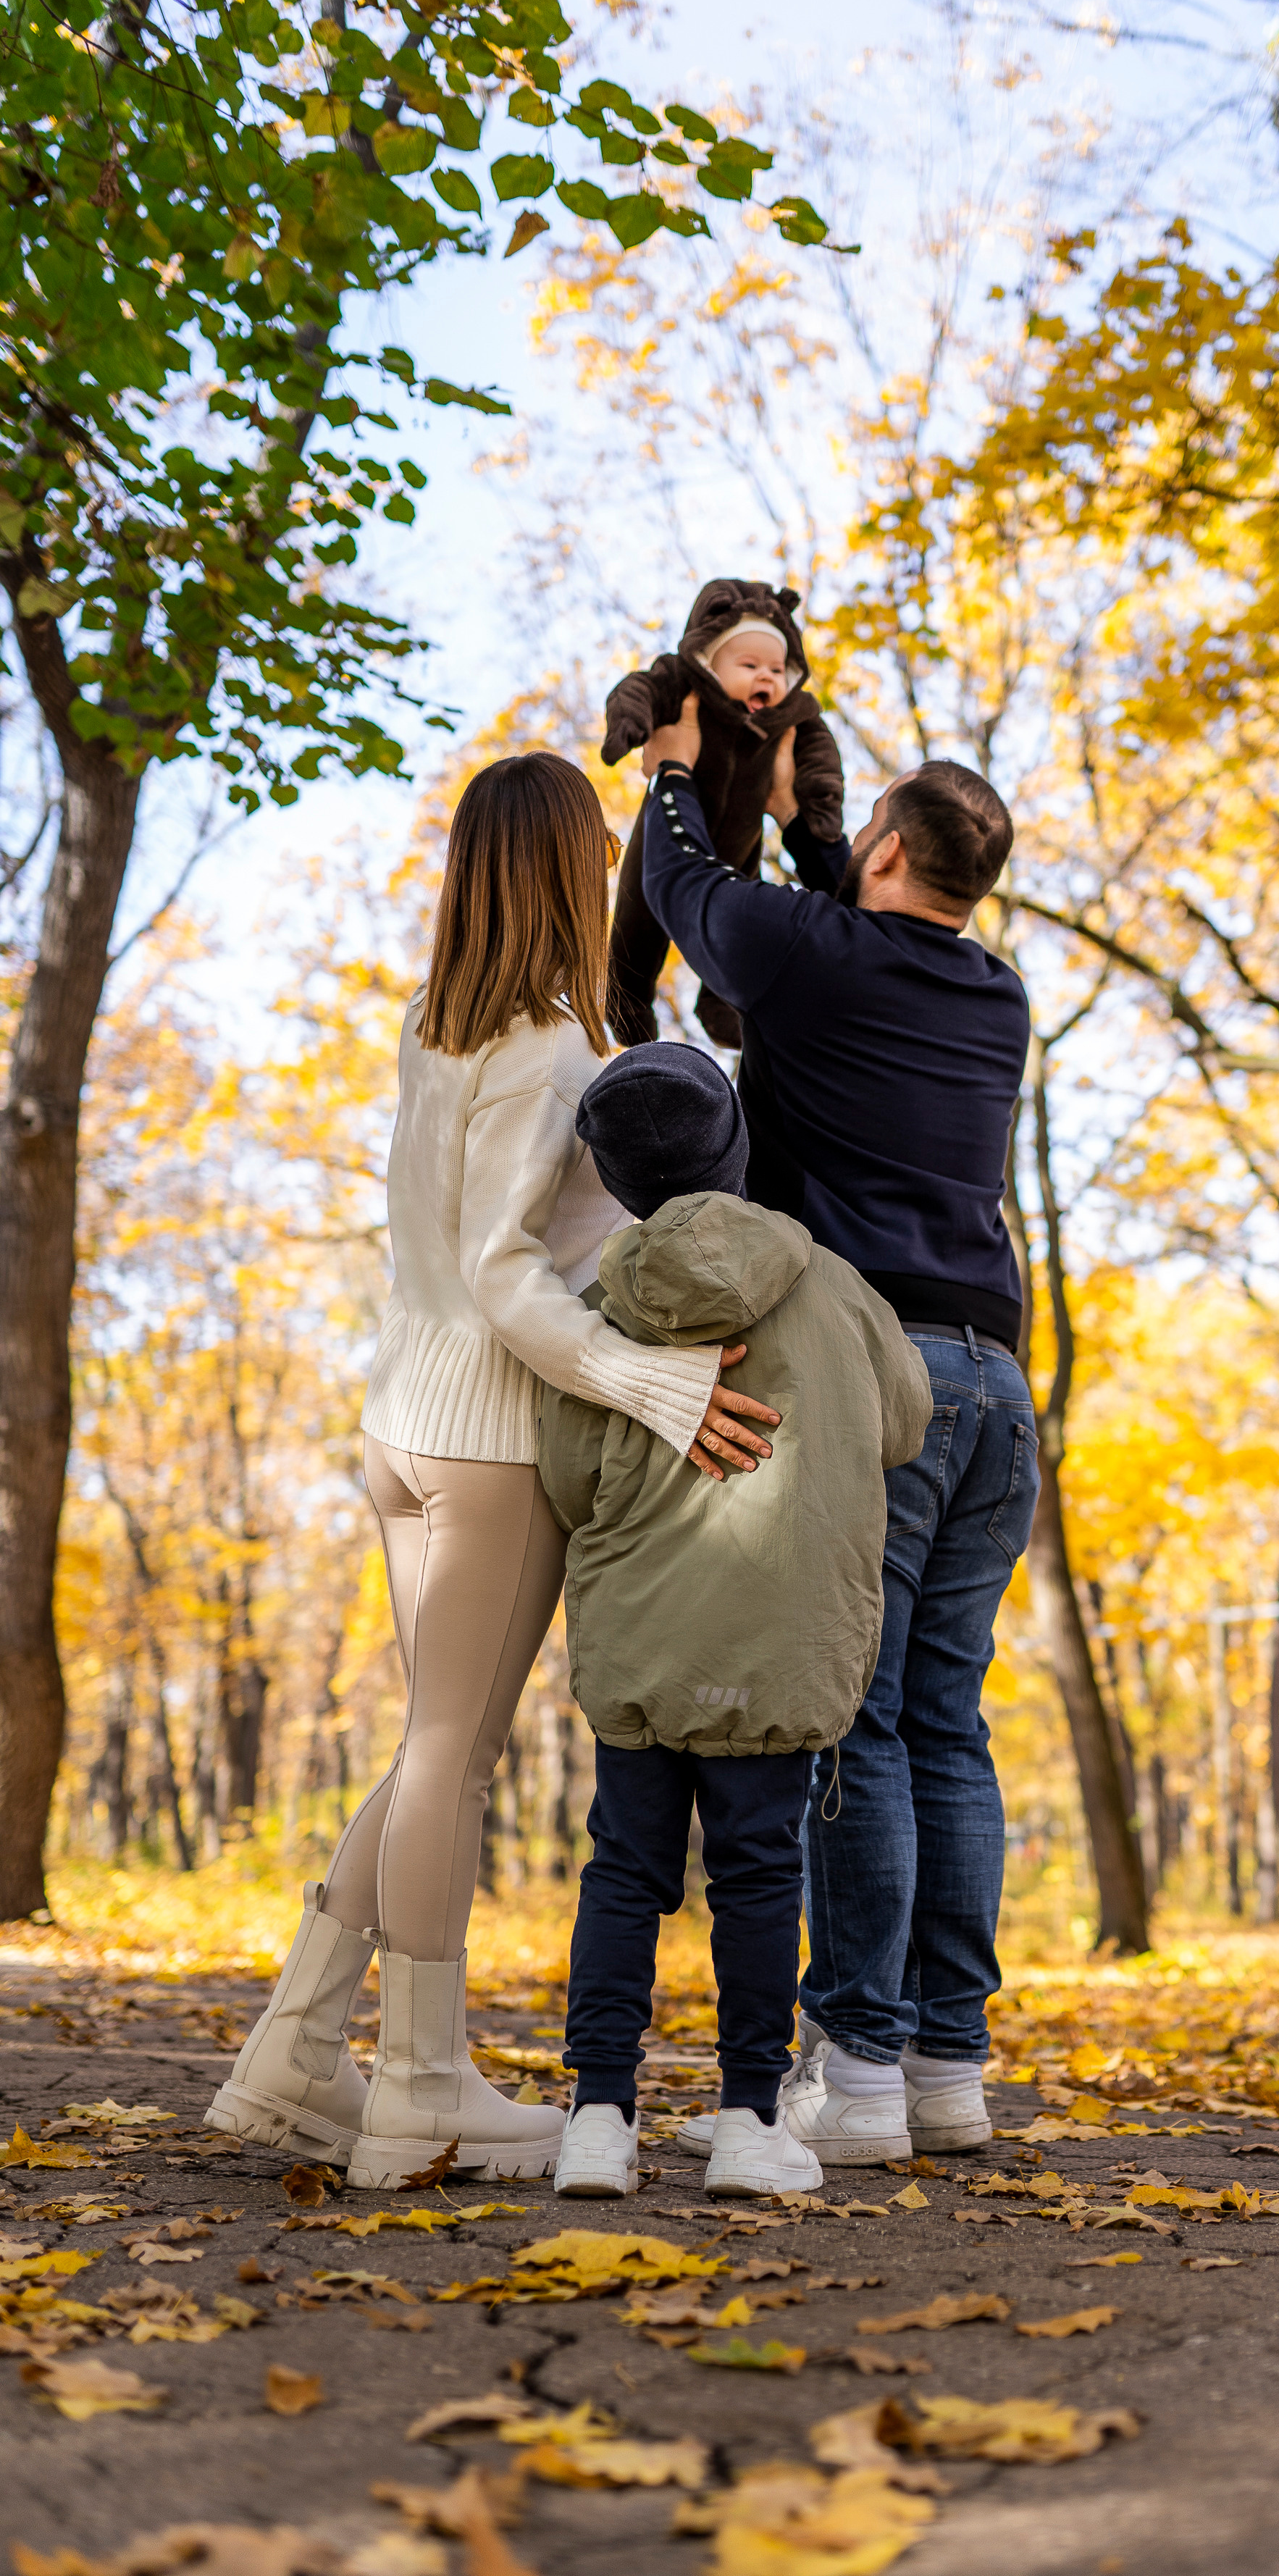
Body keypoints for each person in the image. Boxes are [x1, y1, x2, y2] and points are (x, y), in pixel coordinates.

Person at [205, 752, 781, 2192]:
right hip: (488, 1441)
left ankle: (295, 2048)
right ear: (560, 873)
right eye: (593, 856)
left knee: (428, 1750)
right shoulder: (548, 1055)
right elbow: (505, 1278)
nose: (606, 877)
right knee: (449, 1764)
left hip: (401, 1424)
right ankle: (418, 2087)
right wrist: (655, 1383)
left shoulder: (436, 1027)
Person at [639, 697, 1038, 2165]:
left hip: (879, 1387)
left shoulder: (824, 956)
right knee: (947, 1724)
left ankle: (857, 2074)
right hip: (999, 1389)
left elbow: (690, 897)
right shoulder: (991, 993)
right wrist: (826, 833)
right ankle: (947, 2071)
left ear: (879, 848)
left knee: (856, 1721)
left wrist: (677, 774)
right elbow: (824, 938)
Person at [537, 1044, 932, 2199]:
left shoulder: (600, 1313)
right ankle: (751, 2121)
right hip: (787, 1643)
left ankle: (599, 2118)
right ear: (736, 1146)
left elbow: (568, 1482)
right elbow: (904, 1423)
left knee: (624, 1874)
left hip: (646, 1641)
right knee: (761, 1877)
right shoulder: (836, 1284)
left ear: (612, 1181)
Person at [600, 578, 844, 1050]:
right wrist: (629, 724)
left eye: (777, 668)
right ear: (710, 661)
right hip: (662, 838)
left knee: (740, 928)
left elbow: (820, 757)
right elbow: (638, 691)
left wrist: (817, 806)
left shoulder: (788, 717)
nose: (767, 678)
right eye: (750, 665)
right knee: (638, 921)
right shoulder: (684, 686)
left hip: (740, 846)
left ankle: (720, 1002)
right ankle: (626, 999)